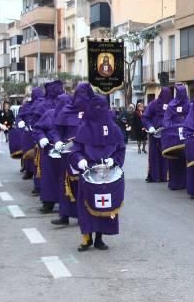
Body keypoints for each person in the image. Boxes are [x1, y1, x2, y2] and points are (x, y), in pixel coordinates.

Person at [70, 94, 126, 252]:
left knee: (105, 206)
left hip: (107, 174)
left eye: (102, 107)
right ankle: (86, 238)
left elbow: (120, 149)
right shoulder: (84, 128)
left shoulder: (113, 128)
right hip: (88, 173)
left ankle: (100, 238)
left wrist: (114, 161)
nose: (99, 111)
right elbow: (76, 151)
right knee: (86, 207)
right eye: (96, 108)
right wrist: (80, 160)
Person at [51, 83, 95, 226]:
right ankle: (64, 215)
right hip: (68, 153)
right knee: (65, 185)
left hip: (88, 153)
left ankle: (87, 214)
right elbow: (56, 129)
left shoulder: (96, 110)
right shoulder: (66, 110)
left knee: (87, 185)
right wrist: (57, 141)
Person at [33, 93, 72, 214]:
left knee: (66, 179)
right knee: (49, 178)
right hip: (50, 152)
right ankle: (48, 203)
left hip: (68, 152)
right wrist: (41, 138)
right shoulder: (50, 114)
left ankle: (67, 204)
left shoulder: (73, 116)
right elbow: (38, 128)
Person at [162, 84, 191, 191]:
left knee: (186, 159)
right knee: (174, 159)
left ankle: (186, 182)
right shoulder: (171, 106)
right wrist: (170, 128)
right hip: (174, 137)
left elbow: (191, 118)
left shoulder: (189, 105)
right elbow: (167, 120)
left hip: (186, 135)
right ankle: (175, 182)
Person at [142, 87, 172, 183]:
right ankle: (154, 176)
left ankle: (165, 176)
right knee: (154, 156)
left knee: (166, 155)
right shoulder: (153, 104)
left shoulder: (172, 105)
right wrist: (150, 127)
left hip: (167, 134)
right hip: (154, 133)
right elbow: (145, 117)